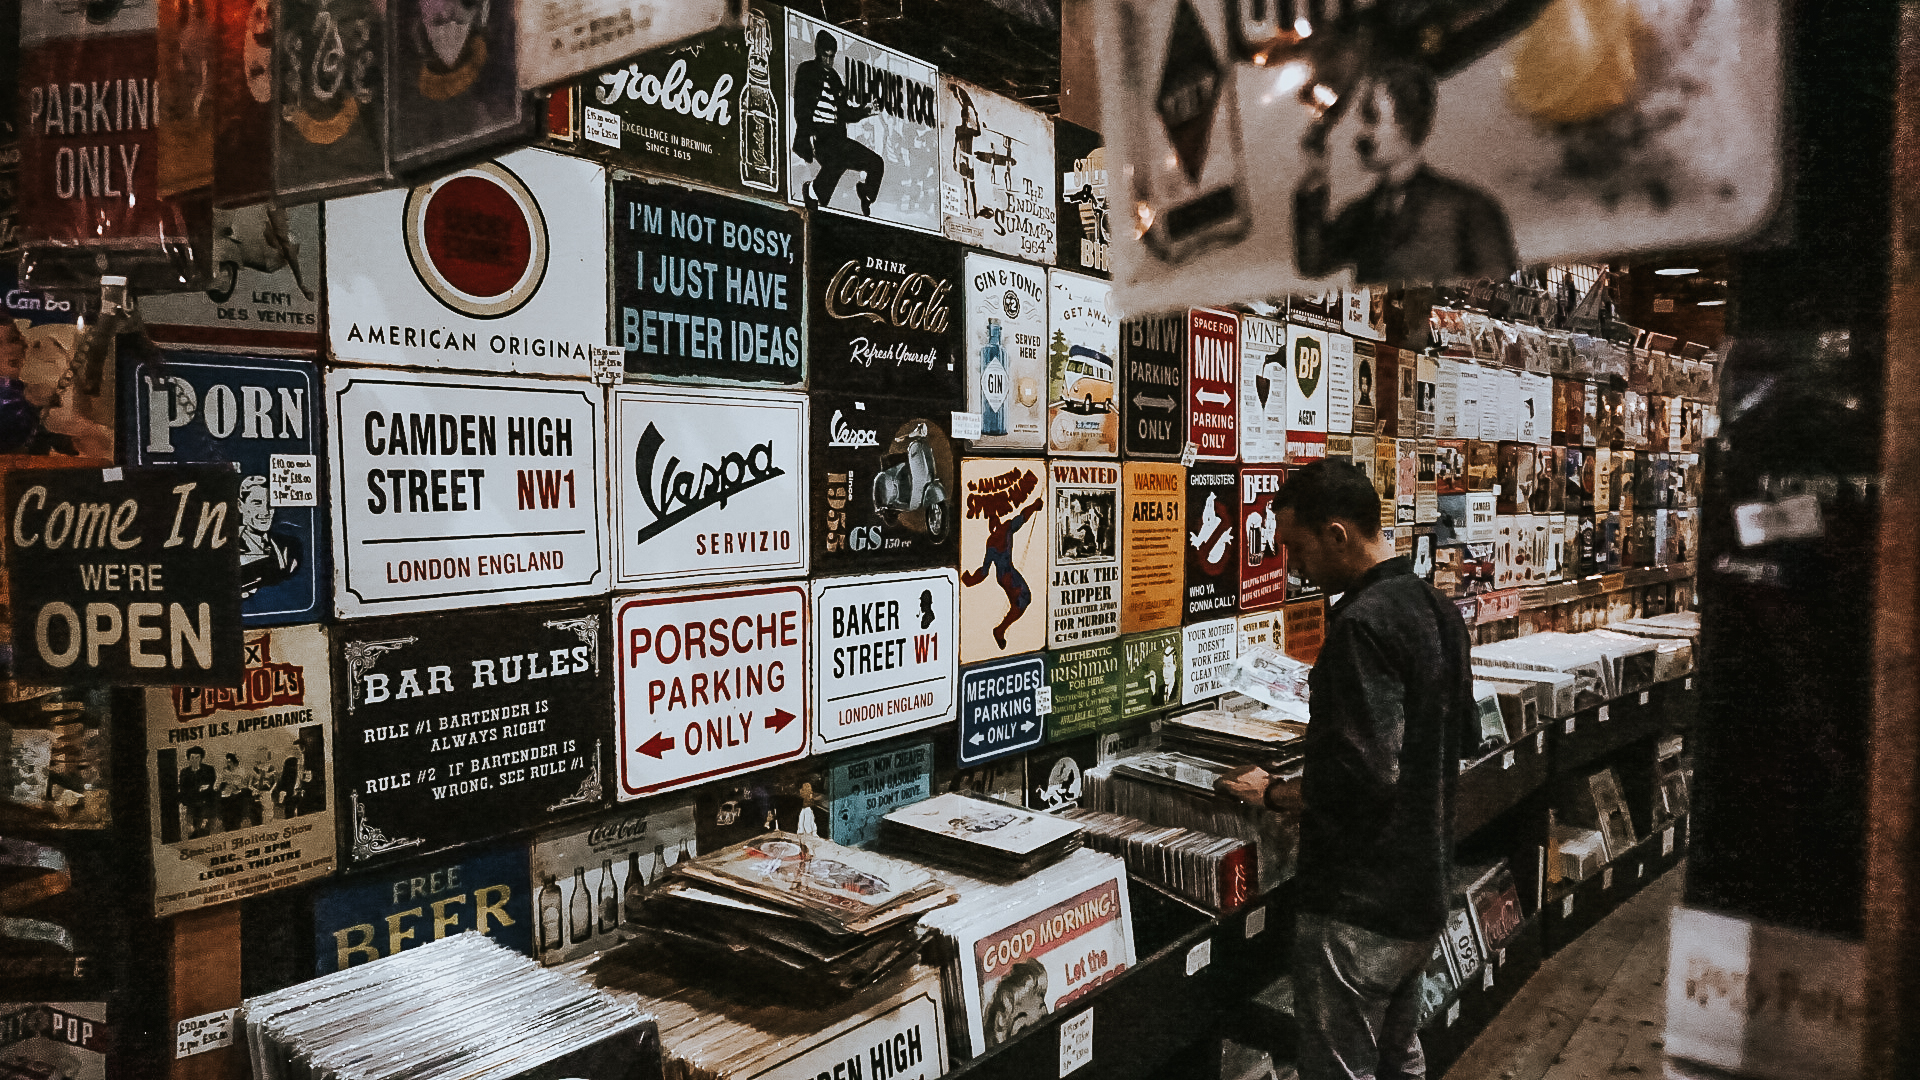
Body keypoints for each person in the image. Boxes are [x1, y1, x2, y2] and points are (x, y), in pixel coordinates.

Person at [1216, 459, 1474, 1080]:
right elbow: (1460, 736)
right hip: (1423, 888)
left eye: (1296, 547)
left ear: (1337, 535)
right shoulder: (1434, 608)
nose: (1291, 565)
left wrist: (1273, 792)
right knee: (1399, 1056)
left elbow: (1363, 774)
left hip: (1359, 905)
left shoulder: (1361, 626)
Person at [1295, 60, 1516, 284]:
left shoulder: (1468, 208)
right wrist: (1315, 176)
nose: (1361, 133)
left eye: (1372, 117)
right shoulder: (1362, 214)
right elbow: (1313, 263)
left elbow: (1497, 287)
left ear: (1407, 125)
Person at [791, 29, 883, 216]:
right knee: (837, 160)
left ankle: (866, 194)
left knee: (876, 162)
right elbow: (801, 108)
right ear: (818, 52)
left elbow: (844, 112)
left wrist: (864, 111)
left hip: (837, 137)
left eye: (832, 57)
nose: (828, 61)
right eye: (825, 56)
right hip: (819, 135)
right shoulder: (807, 70)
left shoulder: (835, 79)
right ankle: (812, 192)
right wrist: (807, 136)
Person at [962, 497, 1042, 648]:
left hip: (1008, 573)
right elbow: (984, 571)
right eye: (991, 525)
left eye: (993, 523)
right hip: (1006, 576)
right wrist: (970, 579)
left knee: (1022, 600)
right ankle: (1000, 630)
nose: (992, 527)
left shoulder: (1004, 530)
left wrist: (1034, 506)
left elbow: (1022, 517)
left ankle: (1000, 630)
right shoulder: (993, 541)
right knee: (1023, 599)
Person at [237, 475, 301, 597]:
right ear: (240, 505)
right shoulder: (228, 545)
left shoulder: (288, 546)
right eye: (257, 503)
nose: (265, 511)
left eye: (270, 504)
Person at [178, 747, 217, 839]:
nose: (194, 760)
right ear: (188, 758)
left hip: (205, 805)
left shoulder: (208, 769)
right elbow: (183, 789)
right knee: (191, 831)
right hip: (191, 805)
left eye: (197, 757)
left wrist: (207, 788)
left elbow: (213, 786)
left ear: (201, 758)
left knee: (204, 831)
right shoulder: (185, 772)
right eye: (192, 757)